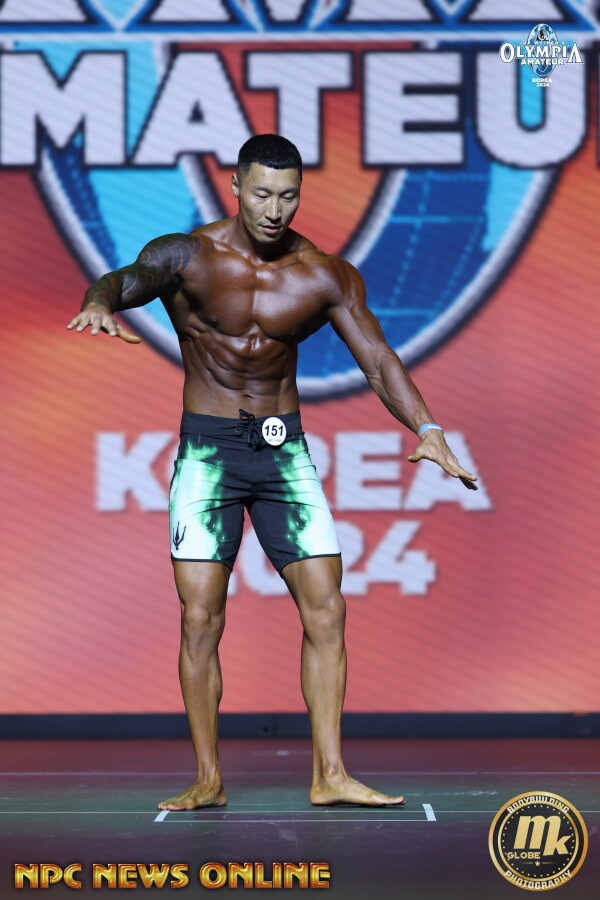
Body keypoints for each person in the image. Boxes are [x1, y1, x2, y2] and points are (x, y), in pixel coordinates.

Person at [67, 134, 477, 810]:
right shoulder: (188, 255)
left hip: (283, 453)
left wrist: (427, 429)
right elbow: (125, 279)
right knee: (201, 617)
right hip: (209, 455)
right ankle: (208, 777)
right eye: (261, 193)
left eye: (287, 196)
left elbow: (378, 359)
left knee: (327, 608)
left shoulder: (323, 275)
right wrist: (98, 302)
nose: (273, 209)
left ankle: (330, 773)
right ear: (234, 186)